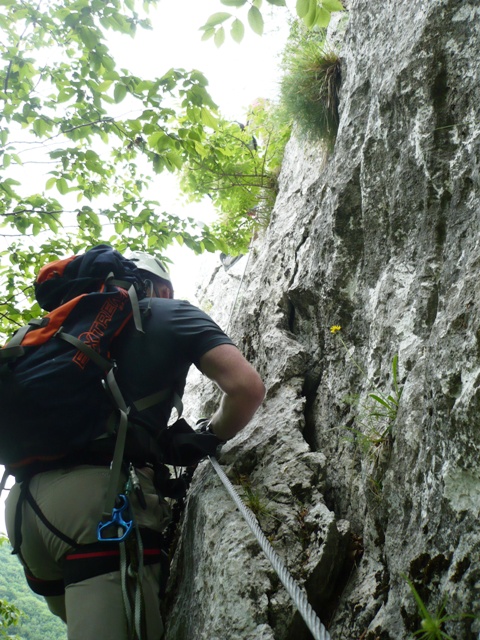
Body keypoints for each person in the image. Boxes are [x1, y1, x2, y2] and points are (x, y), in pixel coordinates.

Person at [4, 250, 265, 640]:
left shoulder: (56, 336)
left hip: (23, 514)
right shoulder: (170, 312)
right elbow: (246, 388)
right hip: (99, 507)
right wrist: (208, 436)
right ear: (160, 286)